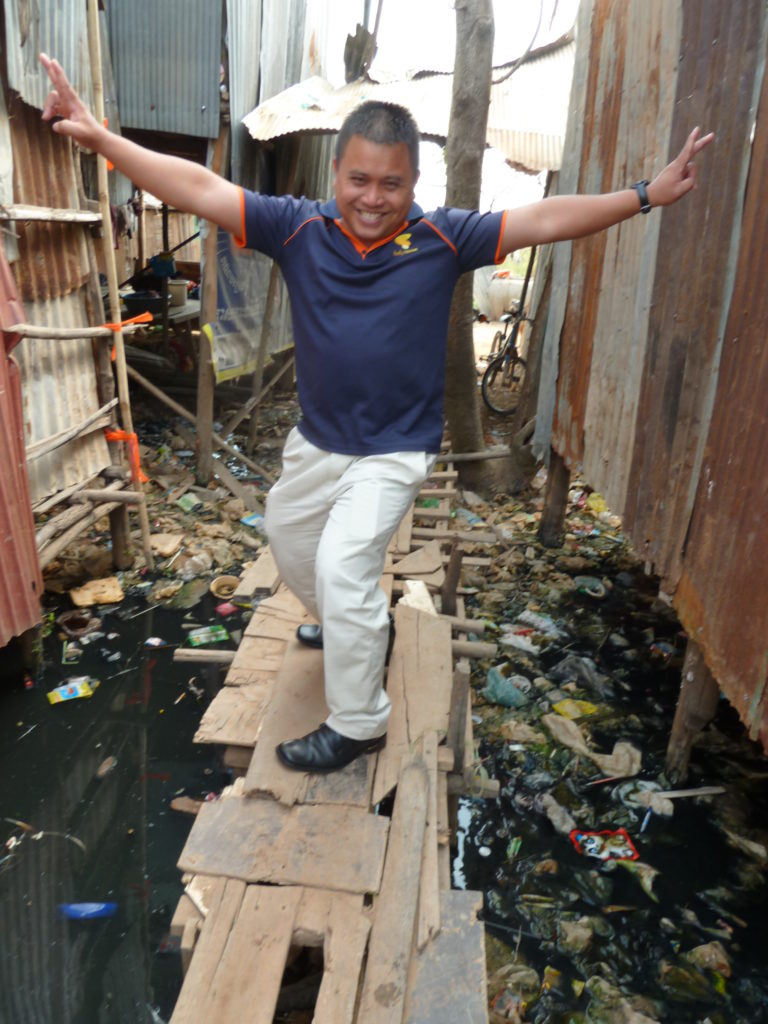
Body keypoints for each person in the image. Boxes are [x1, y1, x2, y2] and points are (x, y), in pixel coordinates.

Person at [40, 54, 713, 774]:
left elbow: (544, 217)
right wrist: (102, 139)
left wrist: (644, 194)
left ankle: (359, 721)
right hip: (319, 439)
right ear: (336, 176)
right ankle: (350, 626)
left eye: (391, 183)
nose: (373, 197)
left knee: (343, 560)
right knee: (291, 541)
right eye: (358, 179)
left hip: (396, 447)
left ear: (413, 184)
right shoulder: (296, 228)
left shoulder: (445, 237)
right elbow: (199, 185)